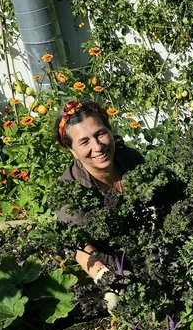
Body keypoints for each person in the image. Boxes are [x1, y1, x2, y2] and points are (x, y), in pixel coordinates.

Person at [53, 100, 144, 281]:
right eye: (84, 142)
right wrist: (105, 277)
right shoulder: (70, 189)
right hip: (113, 262)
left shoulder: (129, 159)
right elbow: (77, 245)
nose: (97, 146)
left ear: (110, 131)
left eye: (100, 134)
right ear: (72, 150)